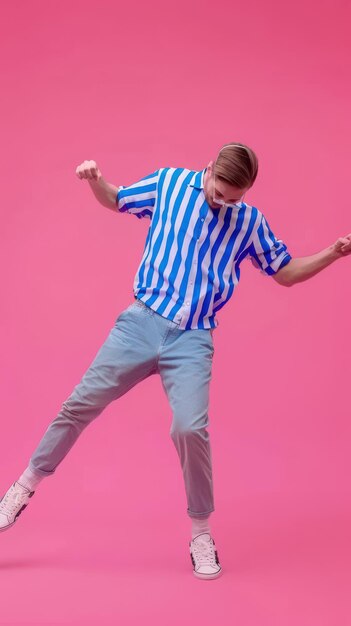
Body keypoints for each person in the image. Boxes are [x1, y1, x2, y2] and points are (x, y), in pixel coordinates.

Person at [1, 143, 350, 580]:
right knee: (79, 404)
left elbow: (285, 273)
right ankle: (22, 488)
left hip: (192, 338)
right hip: (140, 324)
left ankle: (200, 533)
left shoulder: (249, 223)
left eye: (233, 198)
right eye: (217, 192)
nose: (222, 203)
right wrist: (95, 181)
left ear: (246, 192)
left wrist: (333, 253)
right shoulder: (168, 184)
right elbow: (118, 198)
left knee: (190, 428)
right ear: (208, 170)